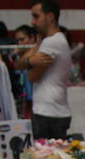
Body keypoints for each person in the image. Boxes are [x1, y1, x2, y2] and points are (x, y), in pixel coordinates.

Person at [28, 0, 72, 139]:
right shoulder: (59, 40)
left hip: (47, 112)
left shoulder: (51, 42)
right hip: (56, 109)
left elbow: (32, 76)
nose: (32, 22)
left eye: (36, 16)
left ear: (50, 16)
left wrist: (29, 61)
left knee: (43, 156)